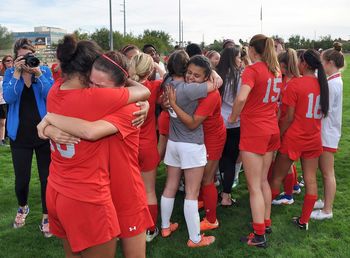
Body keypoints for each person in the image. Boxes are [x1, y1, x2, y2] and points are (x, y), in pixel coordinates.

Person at [37, 35, 150, 258]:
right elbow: (142, 91)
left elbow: (90, 130)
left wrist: (47, 121)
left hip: (108, 190)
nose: (93, 87)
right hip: (89, 194)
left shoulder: (56, 90)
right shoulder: (98, 99)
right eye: (92, 81)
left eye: (100, 85)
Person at [160, 50, 219, 248]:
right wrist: (210, 74)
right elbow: (215, 84)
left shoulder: (168, 83)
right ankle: (195, 238)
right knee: (192, 193)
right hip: (191, 145)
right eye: (190, 72)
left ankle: (165, 226)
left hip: (174, 143)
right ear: (185, 68)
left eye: (196, 74)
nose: (191, 77)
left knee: (170, 186)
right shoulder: (189, 89)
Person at [229, 34, 282, 248]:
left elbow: (242, 97)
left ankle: (259, 235)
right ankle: (265, 223)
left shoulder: (253, 70)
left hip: (255, 131)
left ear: (252, 50)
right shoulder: (276, 69)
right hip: (271, 128)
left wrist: (232, 117)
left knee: (254, 186)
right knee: (262, 182)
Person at [270, 49, 329, 230]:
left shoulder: (295, 84)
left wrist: (279, 134)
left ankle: (263, 217)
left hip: (294, 138)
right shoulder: (322, 84)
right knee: (311, 180)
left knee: (276, 177)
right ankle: (304, 221)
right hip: (313, 138)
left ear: (304, 63)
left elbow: (288, 117)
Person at [2, 39, 53, 237]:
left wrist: (38, 74)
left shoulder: (44, 71)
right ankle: (23, 207)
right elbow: (9, 97)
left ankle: (47, 215)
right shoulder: (9, 74)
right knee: (21, 180)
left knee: (47, 178)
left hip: (44, 133)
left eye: (29, 55)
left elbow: (51, 96)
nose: (26, 59)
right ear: (16, 57)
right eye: (22, 56)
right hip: (19, 135)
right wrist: (16, 73)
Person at [128, 52, 163, 242]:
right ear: (149, 70)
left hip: (128, 146)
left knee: (128, 191)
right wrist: (157, 67)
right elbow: (167, 78)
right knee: (149, 190)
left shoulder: (123, 89)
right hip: (148, 145)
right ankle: (150, 229)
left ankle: (127, 227)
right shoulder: (154, 86)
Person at [310, 42, 344, 220]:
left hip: (327, 134)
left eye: (322, 62)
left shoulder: (333, 84)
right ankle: (324, 201)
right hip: (327, 132)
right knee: (324, 171)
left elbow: (324, 109)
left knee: (327, 172)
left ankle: (327, 210)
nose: (321, 66)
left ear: (330, 62)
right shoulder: (333, 81)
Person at [271, 48, 301, 205]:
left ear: (283, 65)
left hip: (288, 127)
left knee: (285, 160)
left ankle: (288, 195)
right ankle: (294, 186)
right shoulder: (293, 80)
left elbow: (288, 113)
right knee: (289, 161)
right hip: (291, 125)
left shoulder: (291, 84)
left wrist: (280, 130)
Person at [216, 46, 242, 207]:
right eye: (239, 57)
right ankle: (226, 195)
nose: (240, 60)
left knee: (219, 157)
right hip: (235, 122)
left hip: (219, 121)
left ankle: (216, 186)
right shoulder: (240, 77)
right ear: (233, 58)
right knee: (231, 160)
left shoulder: (217, 76)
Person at [0, 55, 13, 145]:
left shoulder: (15, 72)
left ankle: (4, 138)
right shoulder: (1, 73)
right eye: (7, 61)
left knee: (4, 121)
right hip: (3, 99)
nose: (10, 63)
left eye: (11, 61)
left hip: (7, 100)